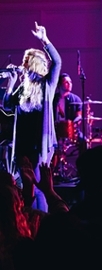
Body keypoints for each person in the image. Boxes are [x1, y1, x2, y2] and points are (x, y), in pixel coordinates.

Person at [2, 22, 61, 212]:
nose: (22, 66)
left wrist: (45, 40)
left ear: (33, 65)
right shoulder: (23, 89)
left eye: (25, 62)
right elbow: (7, 106)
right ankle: (27, 224)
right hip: (21, 147)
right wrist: (10, 85)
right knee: (24, 188)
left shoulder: (47, 86)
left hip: (38, 147)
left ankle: (41, 223)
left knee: (39, 186)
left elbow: (58, 62)